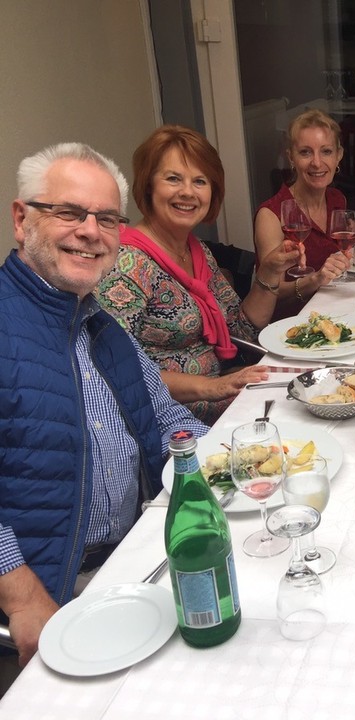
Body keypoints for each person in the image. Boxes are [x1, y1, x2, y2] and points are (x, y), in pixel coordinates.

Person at [0, 143, 207, 684]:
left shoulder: (102, 326)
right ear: (23, 219)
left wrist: (252, 454)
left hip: (135, 557)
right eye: (68, 212)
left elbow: (168, 422)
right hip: (55, 587)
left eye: (108, 218)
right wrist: (22, 598)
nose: (91, 232)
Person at [96, 125, 302, 424]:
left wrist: (270, 270)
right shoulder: (126, 264)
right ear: (148, 185)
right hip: (169, 417)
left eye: (200, 181)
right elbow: (116, 369)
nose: (188, 192)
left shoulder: (196, 250)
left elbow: (241, 327)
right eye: (173, 178)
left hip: (220, 393)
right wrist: (213, 387)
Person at [254, 109, 355, 321]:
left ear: (338, 156)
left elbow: (338, 255)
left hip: (335, 313)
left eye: (326, 151)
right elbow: (270, 294)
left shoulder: (337, 199)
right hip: (294, 326)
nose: (316, 163)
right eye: (305, 152)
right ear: (291, 158)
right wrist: (315, 280)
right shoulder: (270, 215)